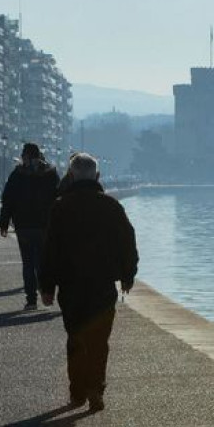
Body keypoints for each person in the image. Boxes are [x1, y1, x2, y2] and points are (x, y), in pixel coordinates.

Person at [38, 153, 137, 411]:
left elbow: (50, 250)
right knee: (99, 340)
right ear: (98, 176)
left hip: (71, 285)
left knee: (76, 337)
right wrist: (128, 275)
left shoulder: (60, 207)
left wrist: (46, 285)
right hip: (102, 284)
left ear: (70, 177)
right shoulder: (111, 207)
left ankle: (77, 391)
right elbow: (127, 242)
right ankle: (96, 388)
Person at [0, 143, 61, 309]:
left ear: (25, 156)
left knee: (27, 263)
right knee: (43, 261)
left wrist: (4, 223)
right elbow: (59, 197)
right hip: (45, 225)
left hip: (24, 225)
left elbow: (8, 199)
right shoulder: (50, 173)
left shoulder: (17, 174)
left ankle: (31, 299)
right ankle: (46, 292)